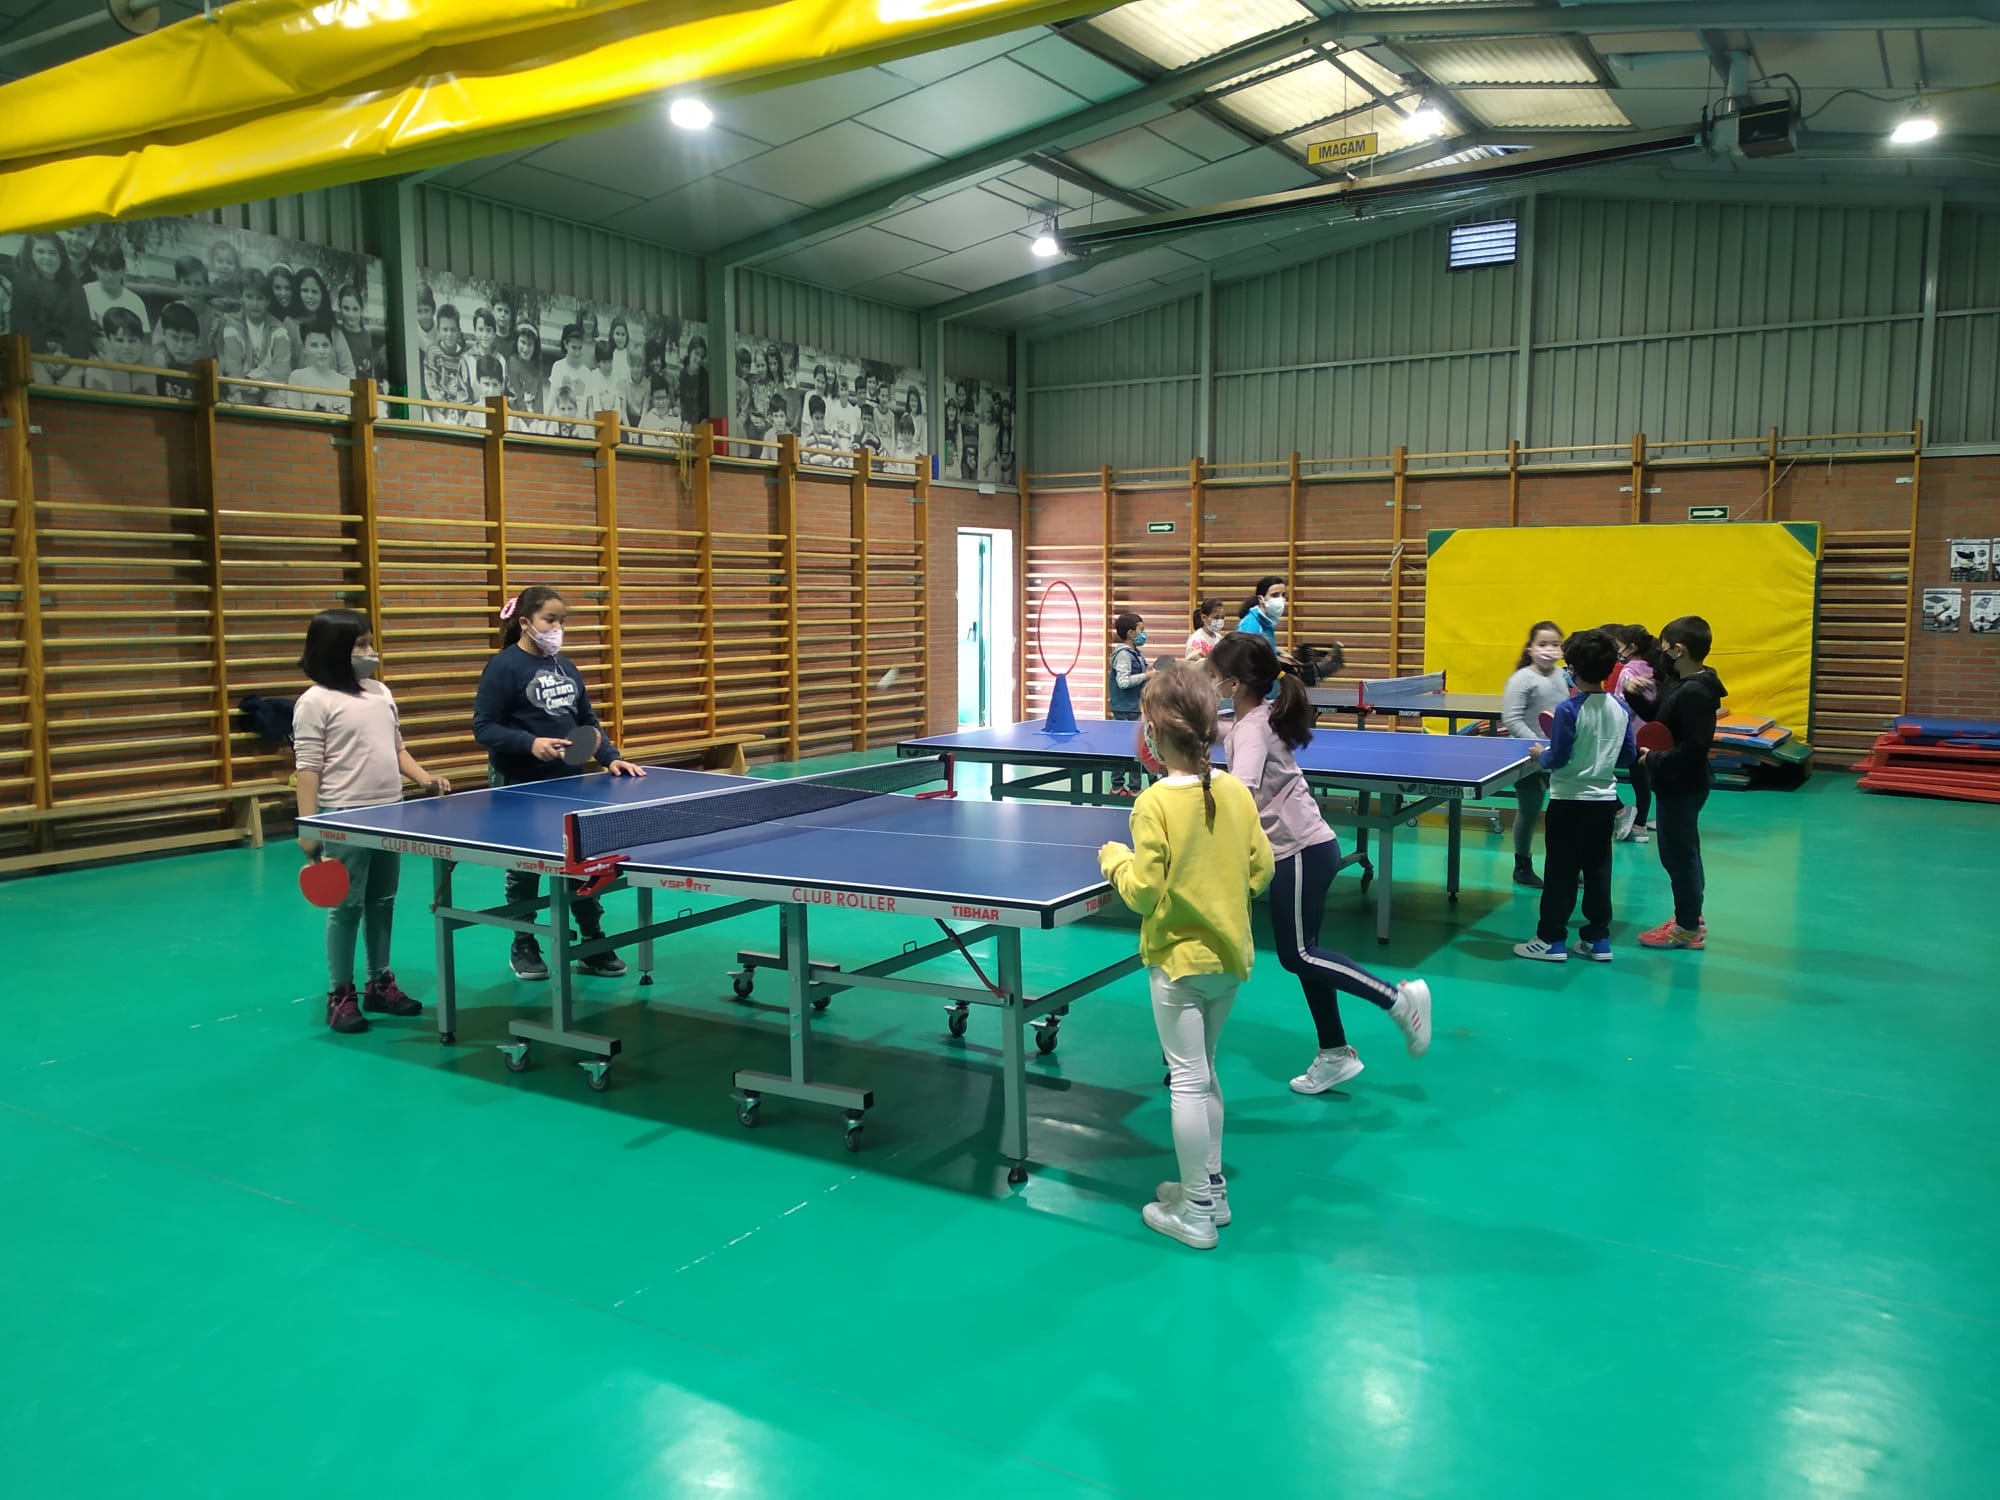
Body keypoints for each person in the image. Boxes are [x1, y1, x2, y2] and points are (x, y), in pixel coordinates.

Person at [1097, 664, 1273, 1250]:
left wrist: (1114, 861)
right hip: (1230, 960)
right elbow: (1262, 870)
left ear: (1152, 733)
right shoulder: (1234, 791)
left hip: (1178, 964)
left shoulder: (1153, 803)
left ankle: (1195, 1212)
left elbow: (1144, 892)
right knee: (1205, 1073)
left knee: (1187, 1082)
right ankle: (1210, 1191)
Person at [1210, 634, 1431, 1091]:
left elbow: (1240, 792)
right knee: (1307, 954)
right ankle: (1334, 1053)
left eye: (1214, 677)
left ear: (1233, 684)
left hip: (1297, 851)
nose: (1210, 683)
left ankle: (1397, 1000)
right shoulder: (1255, 717)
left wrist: (1190, 791)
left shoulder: (1251, 728)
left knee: (1300, 955)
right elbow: (1226, 731)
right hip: (1308, 847)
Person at [472, 585, 645, 981]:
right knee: (524, 868)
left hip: (567, 784)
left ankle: (591, 940)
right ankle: (524, 943)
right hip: (518, 784)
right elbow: (483, 727)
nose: (557, 628)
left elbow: (587, 722)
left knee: (580, 864)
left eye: (561, 621)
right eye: (550, 620)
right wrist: (530, 743)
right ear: (525, 622)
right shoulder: (503, 667)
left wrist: (611, 757)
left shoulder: (565, 667)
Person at [293, 608, 451, 1033]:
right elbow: (308, 767)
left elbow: (396, 748)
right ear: (334, 651)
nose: (370, 651)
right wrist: (307, 825)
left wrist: (423, 778)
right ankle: (340, 993)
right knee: (346, 907)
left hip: (389, 812)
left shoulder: (380, 691)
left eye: (369, 642)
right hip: (344, 817)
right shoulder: (315, 701)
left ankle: (380, 983)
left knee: (382, 901)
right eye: (360, 645)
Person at [1513, 630, 1636, 963]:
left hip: (1569, 803)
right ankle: (1597, 939)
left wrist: (1540, 754)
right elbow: (1628, 756)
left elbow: (1558, 758)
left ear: (1573, 669)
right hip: (1604, 803)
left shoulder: (1569, 709)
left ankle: (1551, 940)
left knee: (1561, 873)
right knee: (1598, 871)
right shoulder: (1621, 708)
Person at [1638, 615, 1725, 951]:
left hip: (1682, 783)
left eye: (1664, 648)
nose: (1660, 654)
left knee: (1678, 856)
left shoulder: (1696, 692)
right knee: (1683, 852)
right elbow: (1663, 720)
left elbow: (1695, 747)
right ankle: (1690, 916)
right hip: (1676, 782)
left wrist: (1653, 759)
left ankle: (1687, 928)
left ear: (1678, 650)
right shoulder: (1684, 683)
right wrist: (1637, 698)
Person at [1501, 619, 1567, 889]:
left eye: (1555, 644)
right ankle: (1522, 866)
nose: (1549, 649)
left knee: (1562, 815)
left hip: (1559, 756)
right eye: (1543, 644)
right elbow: (1512, 719)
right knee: (1529, 813)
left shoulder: (1562, 675)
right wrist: (1538, 746)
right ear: (1530, 648)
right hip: (1529, 756)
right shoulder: (1521, 679)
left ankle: (1564, 867)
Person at [12, 233, 94, 386]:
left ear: (61, 256)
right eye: (40, 251)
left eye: (52, 253)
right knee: (41, 382)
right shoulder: (22, 283)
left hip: (68, 354)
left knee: (71, 384)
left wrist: (67, 358)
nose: (47, 258)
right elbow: (22, 324)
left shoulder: (73, 285)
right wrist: (43, 356)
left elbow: (81, 326)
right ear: (31, 255)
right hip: (34, 352)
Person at [1615, 624, 1662, 841]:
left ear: (1631, 647)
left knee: (1604, 773)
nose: (1619, 651)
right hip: (1652, 735)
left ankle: (1623, 813)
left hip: (1631, 735)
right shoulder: (1655, 669)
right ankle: (1640, 824)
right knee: (1644, 780)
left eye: (1620, 647)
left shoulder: (1628, 672)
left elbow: (1623, 706)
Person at [219, 268, 293, 403]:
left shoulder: (279, 329)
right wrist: (237, 391)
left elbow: (281, 369)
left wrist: (256, 387)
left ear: (267, 300)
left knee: (280, 403)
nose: (255, 303)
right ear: (241, 297)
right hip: (241, 387)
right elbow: (232, 365)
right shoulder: (232, 326)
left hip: (270, 388)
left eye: (260, 298)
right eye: (249, 297)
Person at [1105, 612, 1152, 797]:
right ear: (1131, 633)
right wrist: (1146, 676)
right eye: (1142, 630)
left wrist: (1148, 674)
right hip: (1125, 709)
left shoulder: (1135, 653)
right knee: (1131, 749)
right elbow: (1123, 682)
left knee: (1130, 748)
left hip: (1133, 707)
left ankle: (1119, 786)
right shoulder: (1123, 654)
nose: (1144, 634)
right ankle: (1132, 788)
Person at [287, 268, 353, 379]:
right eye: (305, 290)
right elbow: (284, 366)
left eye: (314, 292)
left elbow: (347, 368)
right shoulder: (290, 324)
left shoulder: (332, 326)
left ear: (322, 294)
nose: (310, 296)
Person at [82, 239, 150, 340]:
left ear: (123, 269)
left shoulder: (135, 302)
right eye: (104, 269)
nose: (110, 276)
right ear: (93, 266)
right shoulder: (85, 293)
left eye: (115, 269)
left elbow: (146, 343)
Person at [421, 302, 476, 420]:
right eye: (445, 329)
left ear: (458, 331)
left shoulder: (465, 356)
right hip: (439, 408)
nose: (449, 334)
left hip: (461, 410)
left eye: (453, 330)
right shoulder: (433, 353)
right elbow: (432, 387)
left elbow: (466, 389)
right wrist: (447, 410)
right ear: (438, 330)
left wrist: (460, 411)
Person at [86, 307, 156, 395]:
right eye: (119, 340)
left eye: (132, 341)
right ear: (108, 340)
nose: (127, 347)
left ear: (141, 342)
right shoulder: (98, 374)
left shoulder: (152, 373)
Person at [286, 320, 349, 413]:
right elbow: (293, 417)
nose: (321, 351)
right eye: (314, 346)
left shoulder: (345, 382)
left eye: (325, 345)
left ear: (332, 347)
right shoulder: (297, 377)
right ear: (305, 349)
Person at [156, 301, 203, 400]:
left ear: (197, 340)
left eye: (187, 339)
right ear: (164, 335)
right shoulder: (155, 371)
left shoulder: (204, 375)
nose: (180, 346)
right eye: (174, 338)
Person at [1238, 576, 1287, 651]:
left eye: (1283, 595)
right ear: (1261, 599)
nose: (1280, 599)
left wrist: (1278, 654)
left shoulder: (1267, 621)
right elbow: (1245, 656)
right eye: (1275, 595)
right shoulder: (1250, 625)